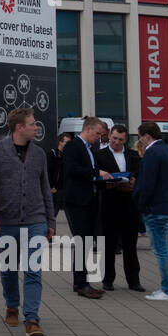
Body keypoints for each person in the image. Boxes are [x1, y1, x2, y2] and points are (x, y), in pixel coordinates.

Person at [0, 108, 54, 336]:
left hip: (35, 219)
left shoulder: (39, 154)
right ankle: (12, 304)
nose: (36, 127)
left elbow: (45, 189)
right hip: (6, 221)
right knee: (9, 268)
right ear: (19, 127)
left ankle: (31, 318)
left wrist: (50, 220)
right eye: (32, 124)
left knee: (33, 269)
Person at [59, 116, 110, 299]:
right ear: (88, 129)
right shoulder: (74, 146)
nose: (98, 138)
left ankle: (81, 281)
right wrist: (97, 173)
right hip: (77, 201)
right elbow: (72, 169)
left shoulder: (90, 148)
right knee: (82, 241)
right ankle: (81, 283)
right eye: (97, 134)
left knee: (87, 241)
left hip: (89, 199)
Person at [133, 122, 168, 302]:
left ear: (146, 136)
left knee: (161, 250)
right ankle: (167, 288)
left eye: (140, 137)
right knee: (166, 249)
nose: (140, 141)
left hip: (157, 208)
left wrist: (141, 205)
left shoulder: (151, 153)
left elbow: (147, 183)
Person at [96, 124, 143, 292]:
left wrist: (133, 181)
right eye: (114, 138)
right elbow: (95, 177)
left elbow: (139, 173)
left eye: (120, 140)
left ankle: (133, 280)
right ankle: (107, 279)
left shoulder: (132, 155)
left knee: (130, 244)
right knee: (108, 243)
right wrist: (106, 182)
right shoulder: (100, 155)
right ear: (109, 135)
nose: (116, 142)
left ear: (125, 140)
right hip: (109, 202)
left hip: (129, 204)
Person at [46, 132, 71, 215]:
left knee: (71, 217)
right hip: (55, 191)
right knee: (52, 215)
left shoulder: (68, 156)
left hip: (66, 190)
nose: (68, 145)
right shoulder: (52, 154)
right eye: (66, 142)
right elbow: (47, 172)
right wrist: (51, 187)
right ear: (60, 142)